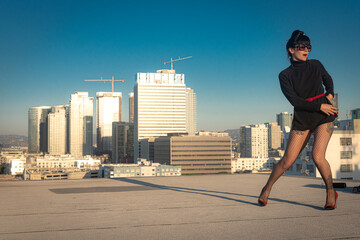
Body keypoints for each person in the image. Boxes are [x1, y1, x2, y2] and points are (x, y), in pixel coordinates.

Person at [258, 30, 339, 210]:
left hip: (324, 117)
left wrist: (330, 94)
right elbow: (295, 101)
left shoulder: (316, 64)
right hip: (303, 118)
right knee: (287, 160)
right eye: (301, 46)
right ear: (290, 50)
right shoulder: (284, 75)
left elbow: (328, 79)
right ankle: (267, 188)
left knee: (317, 157)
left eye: (308, 47)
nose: (306, 50)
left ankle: (330, 191)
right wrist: (320, 106)